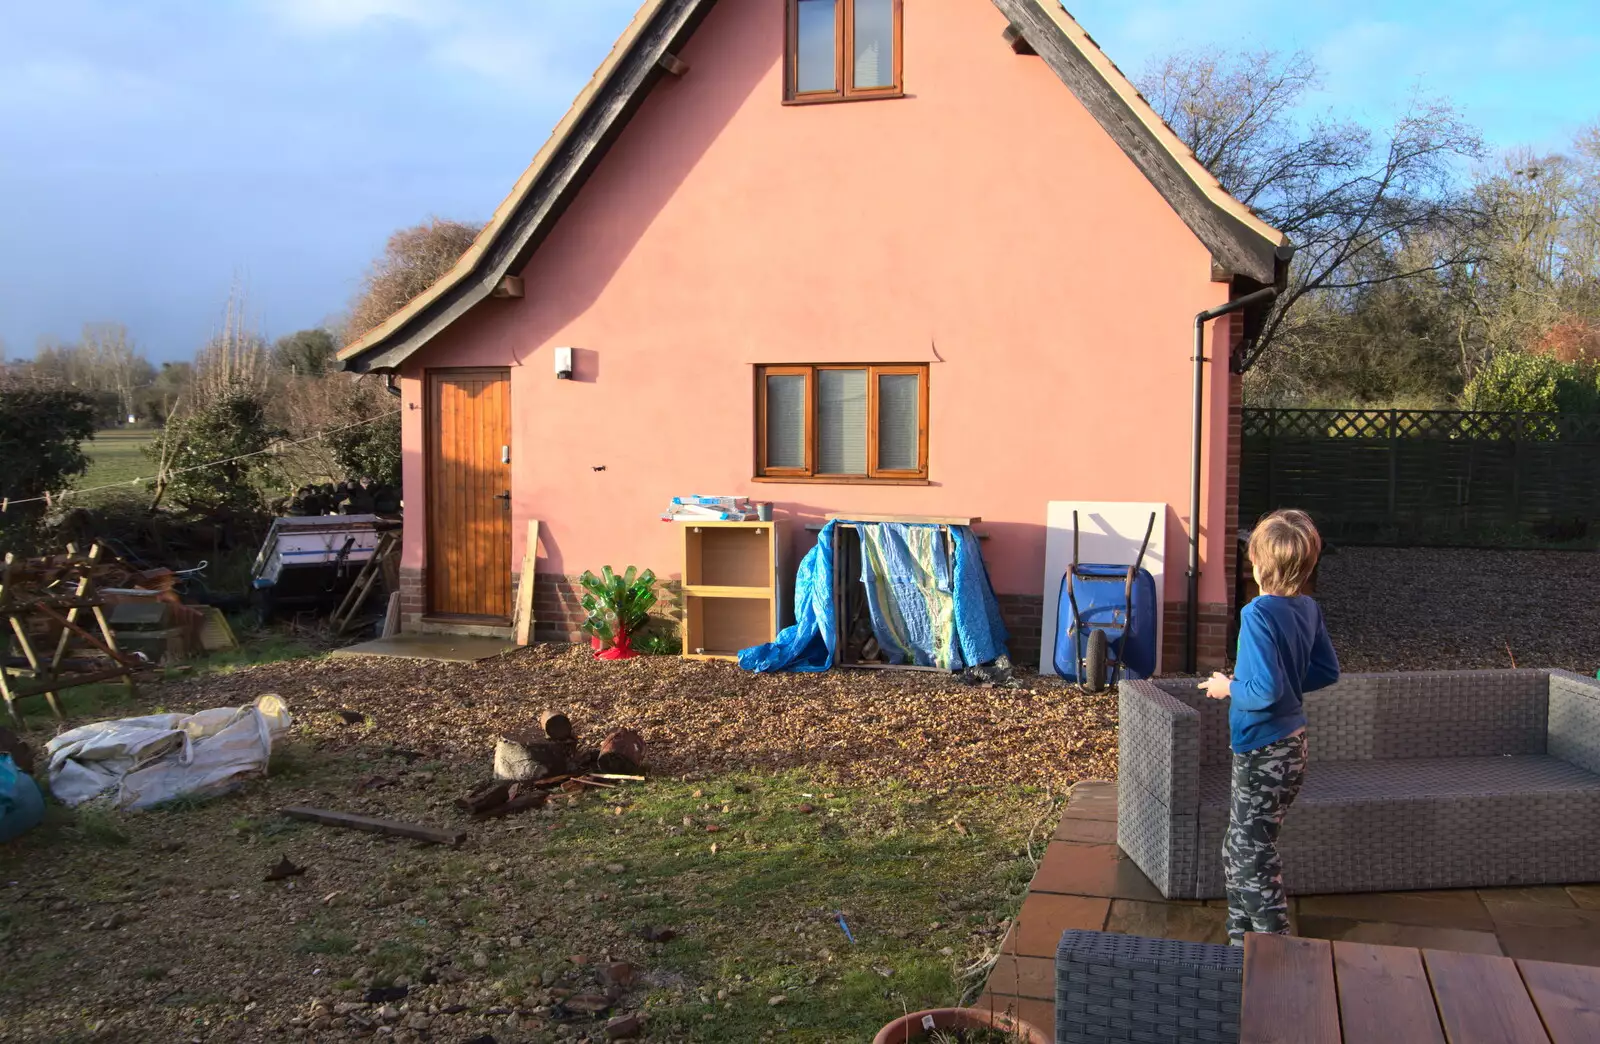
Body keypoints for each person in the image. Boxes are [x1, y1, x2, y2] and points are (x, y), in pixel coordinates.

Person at [1200, 509, 1339, 945]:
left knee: (1252, 854)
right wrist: (1287, 685)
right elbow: (1326, 671)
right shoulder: (1306, 608)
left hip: (1265, 750)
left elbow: (1260, 692)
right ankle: (1241, 942)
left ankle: (1274, 948)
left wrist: (1228, 687)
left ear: (1257, 564)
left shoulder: (1257, 613)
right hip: (1290, 746)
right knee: (1239, 847)